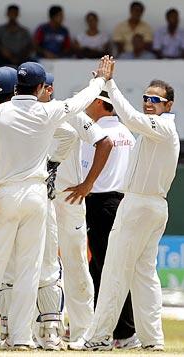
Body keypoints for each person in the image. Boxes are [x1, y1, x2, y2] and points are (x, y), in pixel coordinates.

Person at [0, 57, 114, 350]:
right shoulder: (49, 112)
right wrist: (100, 80)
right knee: (30, 269)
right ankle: (22, 337)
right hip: (37, 196)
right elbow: (80, 101)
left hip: (3, 193)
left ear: (17, 86)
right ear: (41, 87)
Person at [77, 78, 180, 351]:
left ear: (168, 105)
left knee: (113, 271)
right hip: (150, 206)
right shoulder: (152, 130)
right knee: (144, 274)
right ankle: (152, 339)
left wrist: (109, 85)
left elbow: (130, 117)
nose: (148, 103)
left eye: (155, 100)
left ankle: (98, 337)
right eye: (146, 98)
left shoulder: (163, 126)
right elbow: (134, 119)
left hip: (139, 206)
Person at [40, 77, 113, 345]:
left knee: (76, 264)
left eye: (45, 88)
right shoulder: (27, 114)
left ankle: (84, 331)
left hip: (69, 197)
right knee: (39, 264)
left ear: (50, 90)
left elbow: (104, 142)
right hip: (38, 198)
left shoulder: (69, 113)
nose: (41, 92)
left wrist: (88, 183)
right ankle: (45, 331)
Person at [81, 91, 139, 349]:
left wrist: (84, 185)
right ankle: (114, 329)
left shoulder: (93, 132)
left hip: (100, 202)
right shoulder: (127, 133)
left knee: (105, 269)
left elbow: (84, 167)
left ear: (99, 103)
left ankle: (122, 332)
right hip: (122, 201)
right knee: (111, 268)